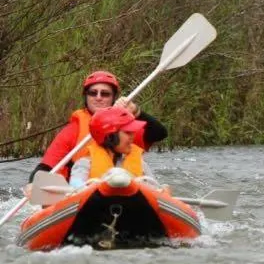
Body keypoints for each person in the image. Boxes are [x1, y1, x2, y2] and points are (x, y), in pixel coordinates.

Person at [23, 70, 167, 194]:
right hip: (83, 194)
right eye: (93, 93)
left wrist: (135, 111)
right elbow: (46, 167)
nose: (98, 97)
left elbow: (159, 133)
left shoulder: (126, 126)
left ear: (113, 98)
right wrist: (33, 184)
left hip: (129, 191)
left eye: (105, 94)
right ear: (86, 96)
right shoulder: (74, 133)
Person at [69, 106, 154, 188]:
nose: (133, 136)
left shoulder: (141, 164)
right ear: (110, 136)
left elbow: (156, 190)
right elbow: (75, 188)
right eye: (128, 132)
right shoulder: (84, 164)